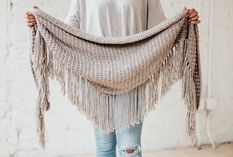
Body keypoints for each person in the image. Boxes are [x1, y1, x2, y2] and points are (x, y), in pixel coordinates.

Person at [25, 0, 200, 156]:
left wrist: (183, 22)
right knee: (104, 146)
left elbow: (160, 27)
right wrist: (43, 22)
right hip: (95, 74)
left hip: (133, 72)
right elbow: (71, 27)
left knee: (130, 148)